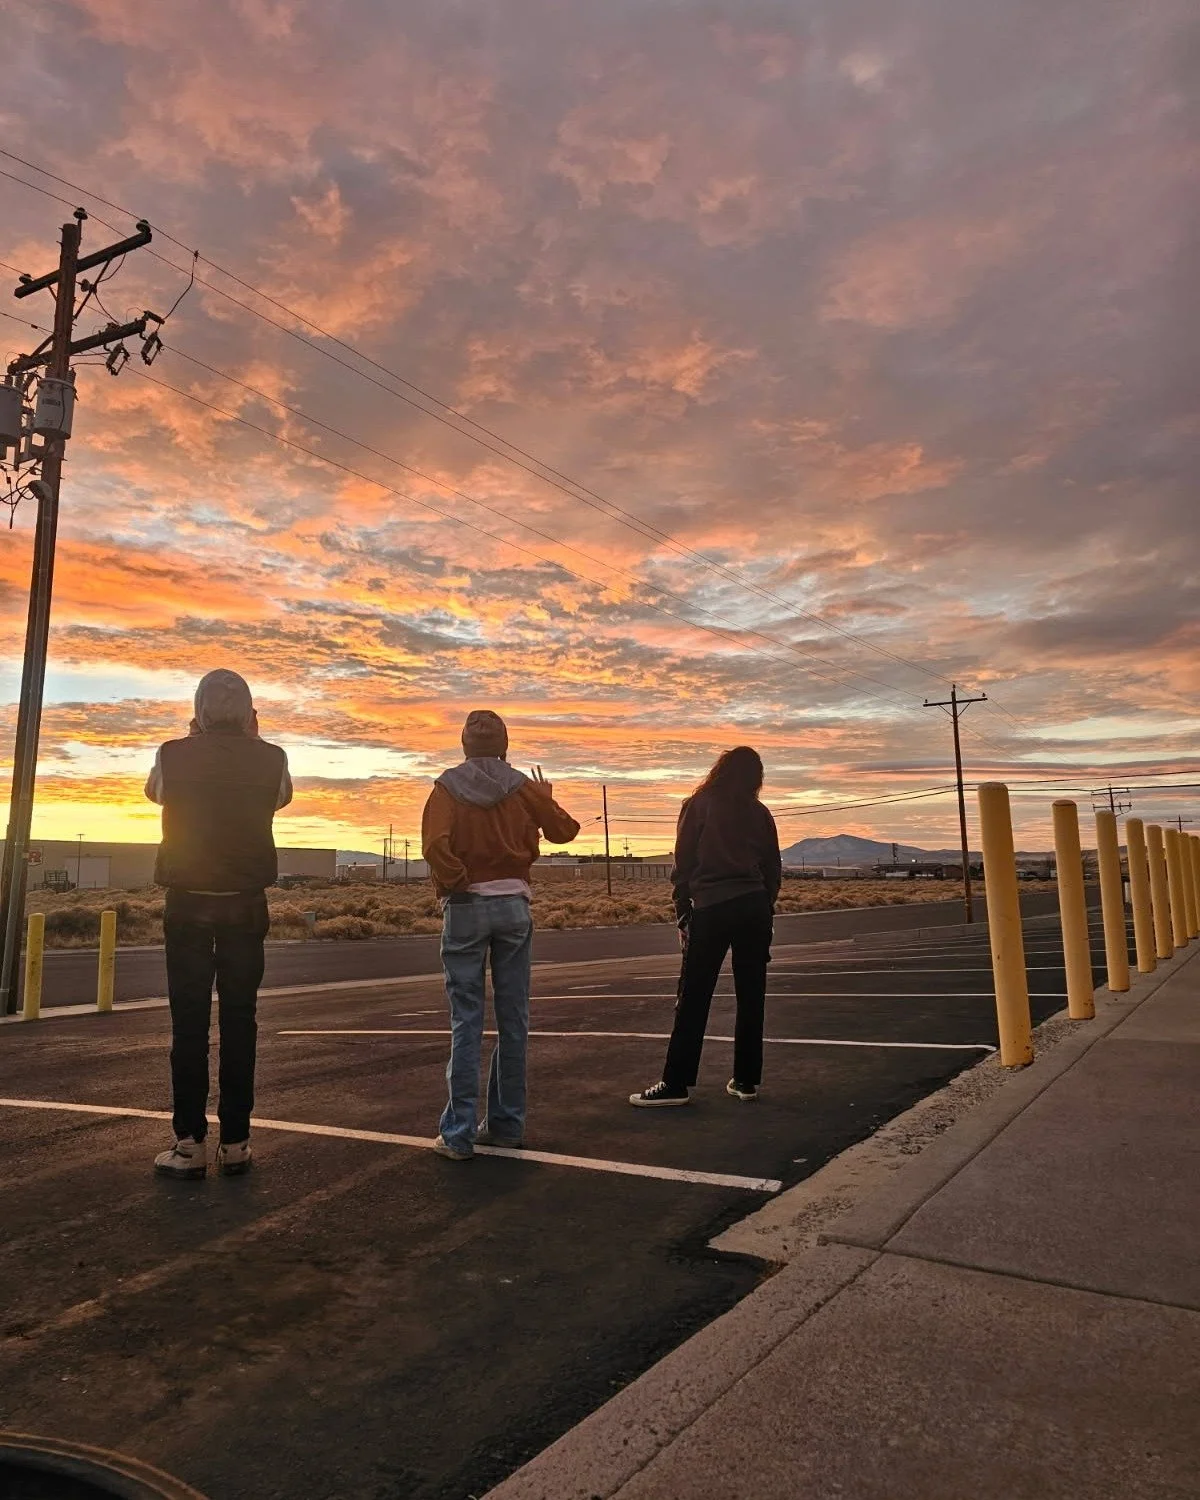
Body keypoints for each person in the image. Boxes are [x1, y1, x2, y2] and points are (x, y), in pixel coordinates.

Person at [146, 669, 292, 1178]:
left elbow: (155, 795)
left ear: (200, 707)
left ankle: (189, 1144)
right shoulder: (273, 758)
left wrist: (194, 741)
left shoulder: (172, 753)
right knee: (240, 1020)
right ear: (250, 711)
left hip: (187, 901)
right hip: (245, 902)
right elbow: (280, 799)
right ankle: (236, 1141)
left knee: (188, 1024)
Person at [422, 709, 580, 1160]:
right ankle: (508, 1124)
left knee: (466, 1019)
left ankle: (458, 1135)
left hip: (468, 908)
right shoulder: (522, 787)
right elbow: (565, 831)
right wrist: (545, 798)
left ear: (464, 744)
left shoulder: (446, 787)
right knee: (514, 1019)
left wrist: (458, 881)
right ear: (505, 744)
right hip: (515, 906)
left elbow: (435, 845)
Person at [630, 746, 780, 1107]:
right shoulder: (759, 812)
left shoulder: (698, 805)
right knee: (751, 995)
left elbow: (683, 862)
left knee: (694, 997)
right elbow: (773, 866)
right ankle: (746, 1081)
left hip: (711, 909)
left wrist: (683, 911)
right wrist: (766, 907)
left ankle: (676, 1083)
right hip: (753, 908)